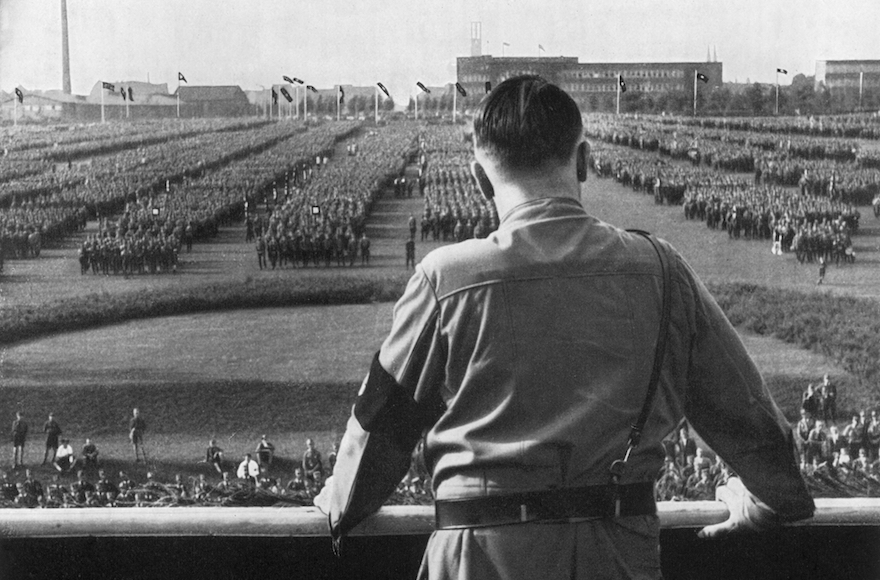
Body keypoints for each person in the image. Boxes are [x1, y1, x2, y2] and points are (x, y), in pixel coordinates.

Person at [315, 76, 814, 579]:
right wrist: (771, 500)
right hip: (619, 555)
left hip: (481, 559)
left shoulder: (445, 279)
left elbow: (378, 429)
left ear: (480, 180)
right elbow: (751, 422)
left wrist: (341, 502)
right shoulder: (662, 270)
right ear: (584, 160)